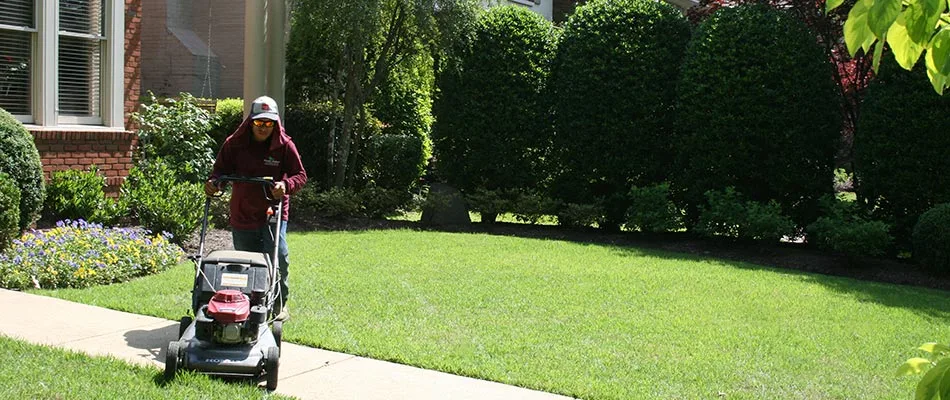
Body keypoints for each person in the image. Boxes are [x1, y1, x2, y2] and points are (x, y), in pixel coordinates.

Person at [205, 95, 307, 321]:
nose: (263, 128)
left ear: (275, 123)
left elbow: (300, 176)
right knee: (245, 263)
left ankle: (279, 305)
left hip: (273, 212)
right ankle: (248, 305)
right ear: (250, 122)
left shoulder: (284, 145)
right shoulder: (234, 144)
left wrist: (285, 185)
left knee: (278, 257)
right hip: (243, 212)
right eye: (259, 123)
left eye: (268, 123)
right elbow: (219, 170)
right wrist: (214, 184)